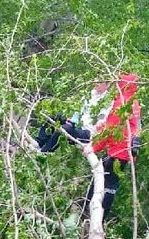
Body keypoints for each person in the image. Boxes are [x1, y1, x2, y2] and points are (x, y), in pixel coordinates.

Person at [35, 74, 141, 220]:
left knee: (106, 186)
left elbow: (111, 129)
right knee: (105, 184)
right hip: (122, 150)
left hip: (118, 151)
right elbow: (120, 126)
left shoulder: (122, 103)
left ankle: (93, 218)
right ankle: (90, 215)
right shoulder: (132, 102)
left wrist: (94, 147)